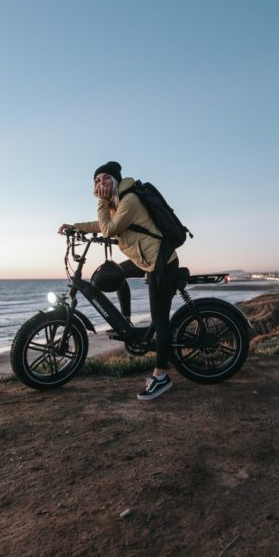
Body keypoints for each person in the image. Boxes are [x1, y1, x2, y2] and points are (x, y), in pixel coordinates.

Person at [58, 161, 179, 401]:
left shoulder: (129, 201)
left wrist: (101, 203)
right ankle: (125, 321)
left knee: (160, 319)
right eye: (96, 180)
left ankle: (161, 376)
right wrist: (76, 227)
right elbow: (103, 225)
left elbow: (110, 228)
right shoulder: (118, 202)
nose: (100, 183)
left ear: (115, 180)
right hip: (145, 259)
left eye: (105, 178)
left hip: (160, 264)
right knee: (116, 274)